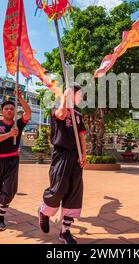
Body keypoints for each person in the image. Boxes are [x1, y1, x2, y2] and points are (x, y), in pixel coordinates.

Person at [38, 84, 88, 244]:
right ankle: (44, 212)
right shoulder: (57, 108)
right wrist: (65, 98)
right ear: (70, 95)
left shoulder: (79, 116)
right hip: (61, 154)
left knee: (74, 191)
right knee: (59, 188)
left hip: (76, 156)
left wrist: (84, 155)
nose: (80, 97)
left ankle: (65, 231)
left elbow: (81, 137)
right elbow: (60, 114)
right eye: (78, 94)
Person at [0, 89, 31, 231]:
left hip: (12, 161)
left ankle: (1, 217)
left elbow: (28, 113)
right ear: (2, 111)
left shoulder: (18, 124)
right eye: (6, 109)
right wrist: (10, 134)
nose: (10, 110)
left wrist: (21, 99)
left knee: (9, 188)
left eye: (12, 108)